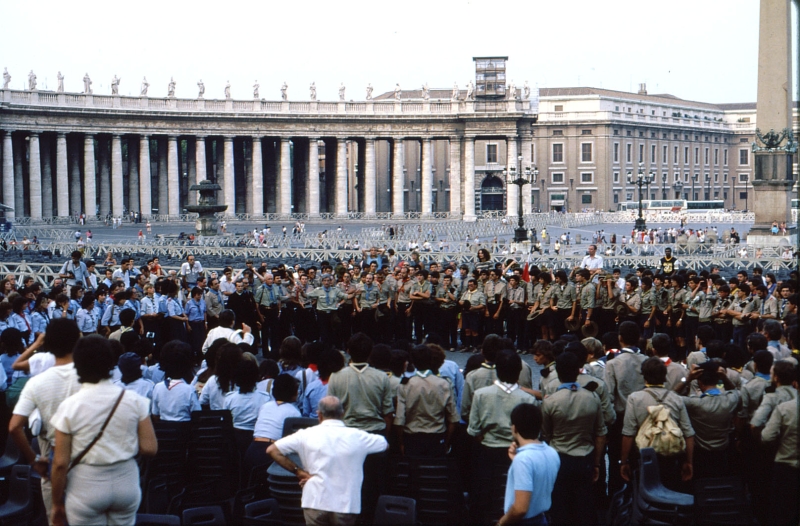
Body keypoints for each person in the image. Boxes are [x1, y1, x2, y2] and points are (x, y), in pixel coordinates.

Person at [49, 335, 157, 526]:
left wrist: (56, 502)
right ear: (111, 362)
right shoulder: (135, 401)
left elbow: (60, 463)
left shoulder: (69, 407)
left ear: (78, 364)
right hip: (126, 482)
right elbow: (150, 448)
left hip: (86, 485)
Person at [267, 396, 388, 526]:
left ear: (319, 414)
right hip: (345, 504)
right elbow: (384, 444)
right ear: (342, 414)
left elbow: (272, 450)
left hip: (315, 500)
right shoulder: (358, 436)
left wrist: (299, 472)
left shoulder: (305, 434)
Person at [8, 319, 82, 519]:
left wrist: (33, 460)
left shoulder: (38, 377)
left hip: (51, 444)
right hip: (85, 451)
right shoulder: (89, 373)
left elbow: (14, 427)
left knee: (54, 511)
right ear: (77, 339)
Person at [542, 351, 607, 525]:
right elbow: (601, 433)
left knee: (560, 507)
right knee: (584, 506)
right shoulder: (592, 398)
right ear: (578, 371)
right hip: (584, 457)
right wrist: (596, 462)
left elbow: (546, 435)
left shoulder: (550, 402)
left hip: (559, 458)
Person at [497, 403, 560, 526]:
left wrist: (501, 523)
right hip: (542, 519)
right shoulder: (552, 452)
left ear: (514, 428)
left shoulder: (523, 460)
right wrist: (516, 459)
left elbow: (520, 508)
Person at [394, 345, 459, 457]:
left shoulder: (405, 385)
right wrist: (447, 441)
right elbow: (453, 419)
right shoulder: (443, 383)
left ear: (413, 362)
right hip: (437, 436)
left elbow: (399, 420)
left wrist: (401, 443)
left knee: (414, 471)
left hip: (412, 437)